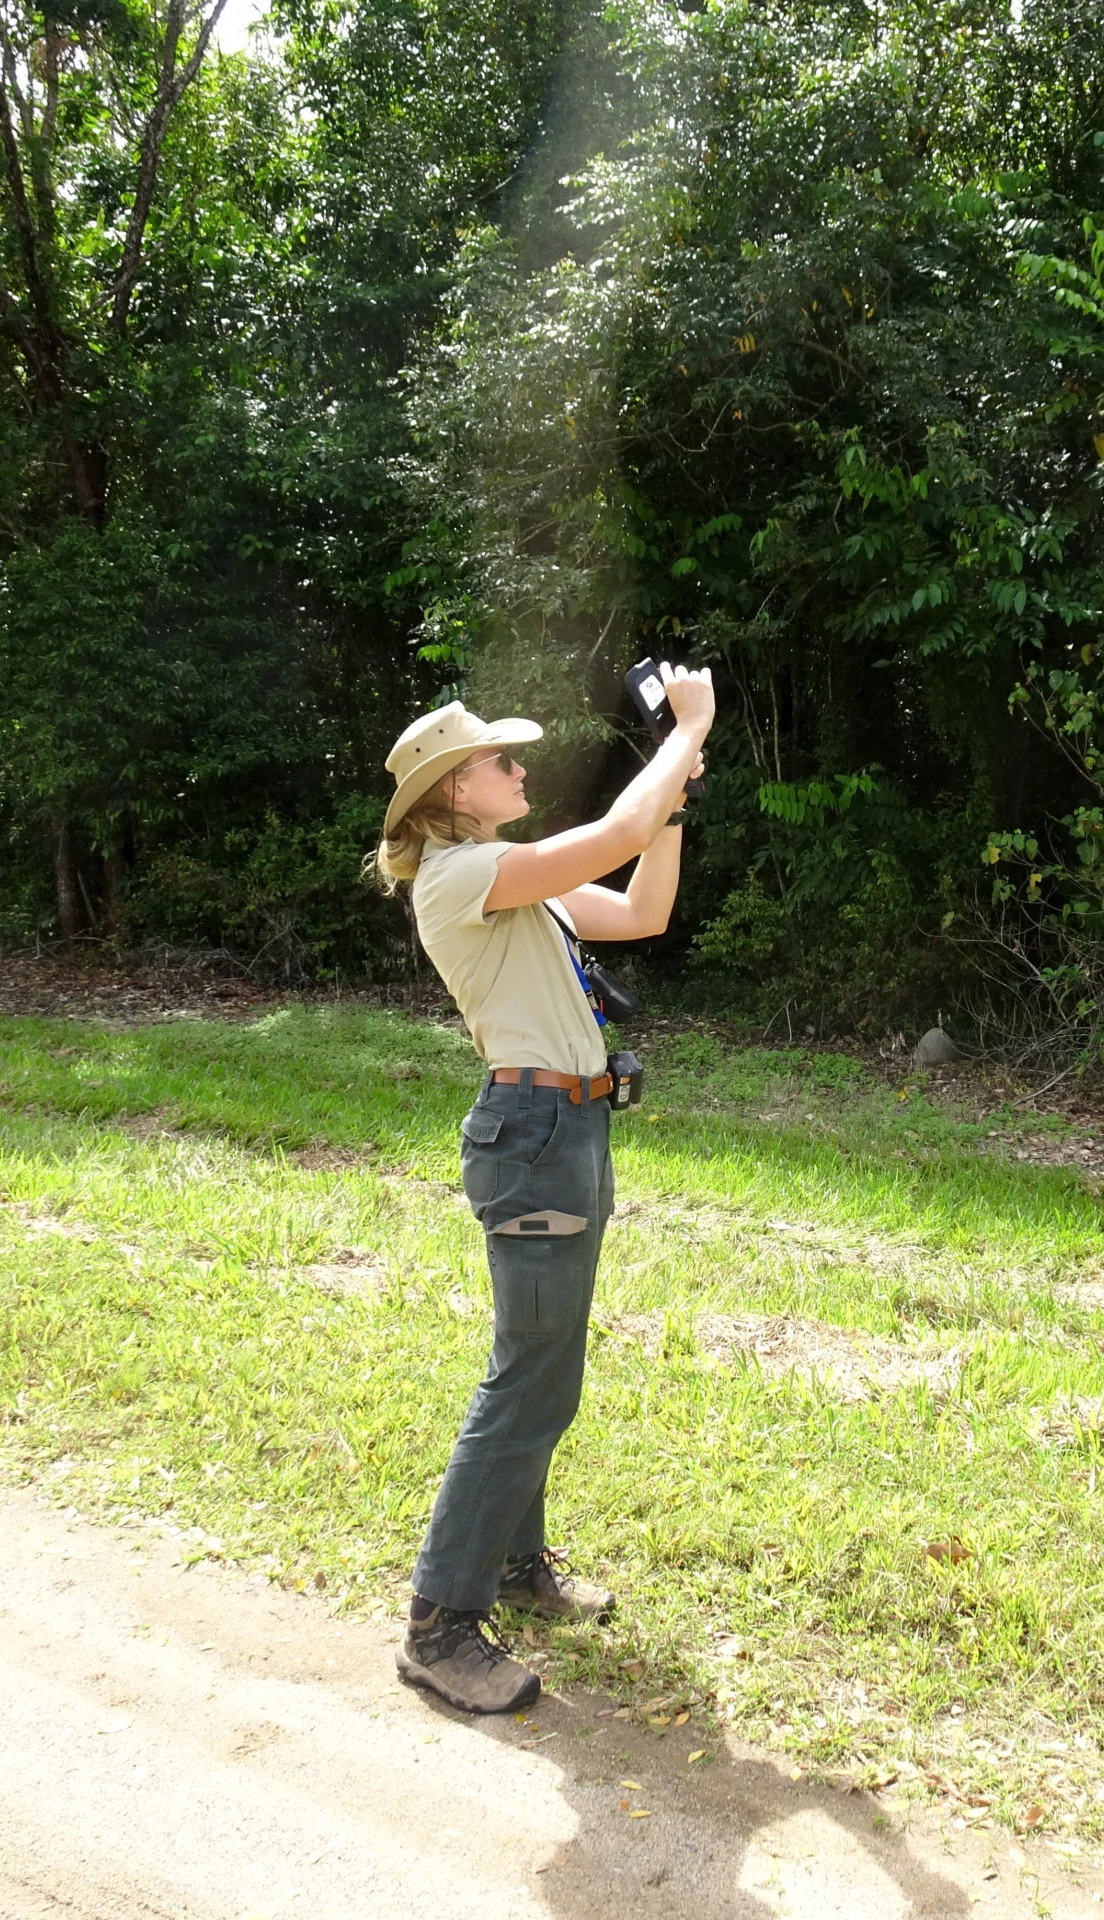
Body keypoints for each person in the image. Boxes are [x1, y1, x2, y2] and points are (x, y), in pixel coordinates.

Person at [368, 667, 714, 1714]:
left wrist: (672, 803)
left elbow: (642, 906)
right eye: (500, 761)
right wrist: (685, 729)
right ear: (451, 794)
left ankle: (516, 1572)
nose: (521, 770)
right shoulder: (461, 878)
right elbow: (608, 832)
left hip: (568, 1127)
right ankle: (438, 1624)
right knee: (527, 1380)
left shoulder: (512, 877)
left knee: (545, 1370)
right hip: (533, 1133)